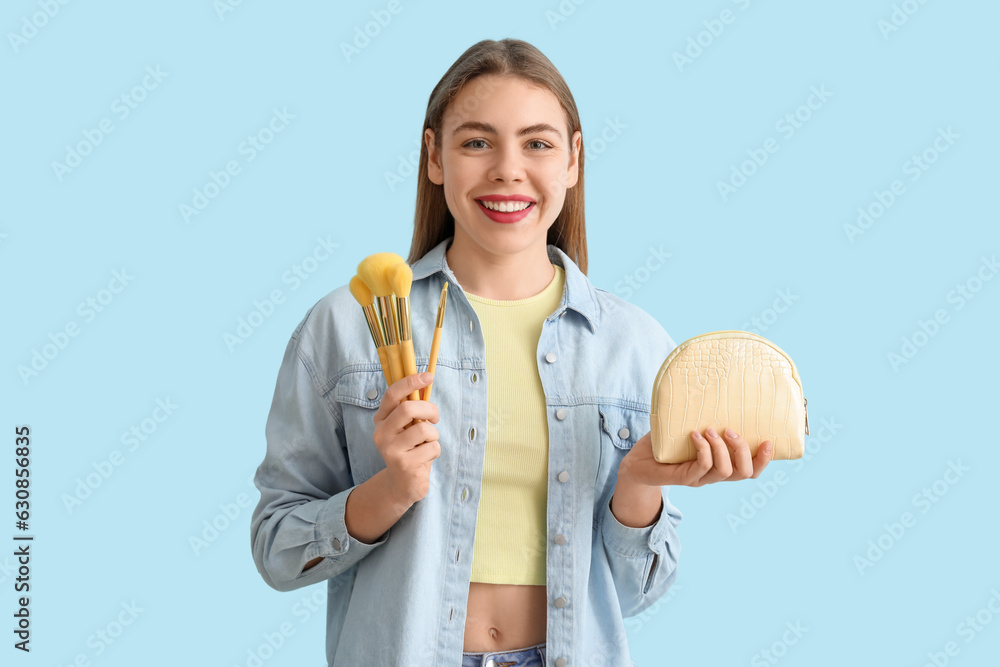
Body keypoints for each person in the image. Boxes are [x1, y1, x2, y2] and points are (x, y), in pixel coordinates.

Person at [250, 38, 774, 667]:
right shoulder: (349, 325)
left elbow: (636, 593)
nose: (507, 169)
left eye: (537, 143)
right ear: (433, 157)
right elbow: (277, 551)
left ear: (574, 159)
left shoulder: (633, 346)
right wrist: (390, 490)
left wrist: (638, 484)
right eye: (476, 142)